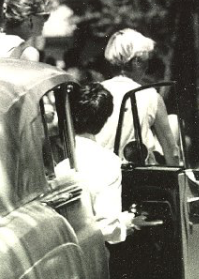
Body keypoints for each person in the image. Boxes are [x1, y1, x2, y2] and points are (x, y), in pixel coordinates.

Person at [55, 84, 146, 243]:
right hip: (92, 257)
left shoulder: (58, 163)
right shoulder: (108, 163)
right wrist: (126, 222)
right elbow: (108, 229)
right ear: (104, 120)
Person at [94, 29, 180, 165]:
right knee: (174, 121)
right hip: (136, 176)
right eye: (146, 62)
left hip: (100, 170)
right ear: (136, 61)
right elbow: (172, 152)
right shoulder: (150, 95)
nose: (146, 68)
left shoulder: (96, 92)